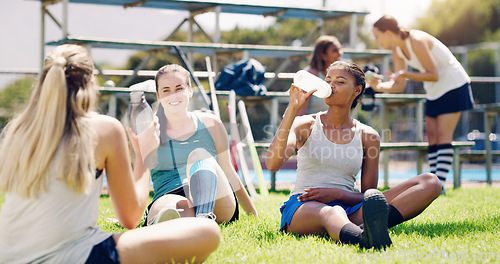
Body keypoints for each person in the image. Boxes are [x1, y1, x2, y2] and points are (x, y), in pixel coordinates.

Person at [0, 44, 220, 264]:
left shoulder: (18, 130)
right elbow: (131, 218)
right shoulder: (104, 129)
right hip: (75, 255)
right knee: (206, 231)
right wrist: (143, 156)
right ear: (91, 83)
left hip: (8, 256)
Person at [266, 61, 442, 249]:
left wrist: (339, 194)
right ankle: (363, 237)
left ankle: (365, 228)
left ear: (357, 90)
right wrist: (292, 110)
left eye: (340, 82)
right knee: (333, 212)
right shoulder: (304, 124)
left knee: (431, 182)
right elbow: (272, 164)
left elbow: (369, 195)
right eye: (328, 80)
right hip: (304, 206)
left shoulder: (368, 136)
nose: (331, 85)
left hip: (349, 208)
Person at [367, 15, 474, 192]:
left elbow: (433, 74)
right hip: (433, 90)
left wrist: (404, 74)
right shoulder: (397, 50)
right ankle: (434, 184)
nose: (376, 41)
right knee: (431, 136)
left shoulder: (416, 40)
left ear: (387, 32)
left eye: (377, 36)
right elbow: (399, 85)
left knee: (442, 135)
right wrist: (378, 86)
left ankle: (438, 185)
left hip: (454, 85)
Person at [144, 64, 258, 226]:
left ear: (189, 90)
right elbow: (137, 179)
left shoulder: (211, 123)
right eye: (166, 90)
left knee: (199, 154)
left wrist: (253, 213)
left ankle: (203, 218)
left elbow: (227, 171)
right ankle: (176, 222)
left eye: (179, 88)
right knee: (175, 209)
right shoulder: (149, 130)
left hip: (217, 196)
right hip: (171, 195)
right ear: (158, 96)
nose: (173, 95)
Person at [297, 35, 344, 116]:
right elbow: (299, 111)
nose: (340, 54)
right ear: (323, 55)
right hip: (309, 127)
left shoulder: (341, 75)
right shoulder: (310, 75)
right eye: (335, 50)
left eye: (340, 49)